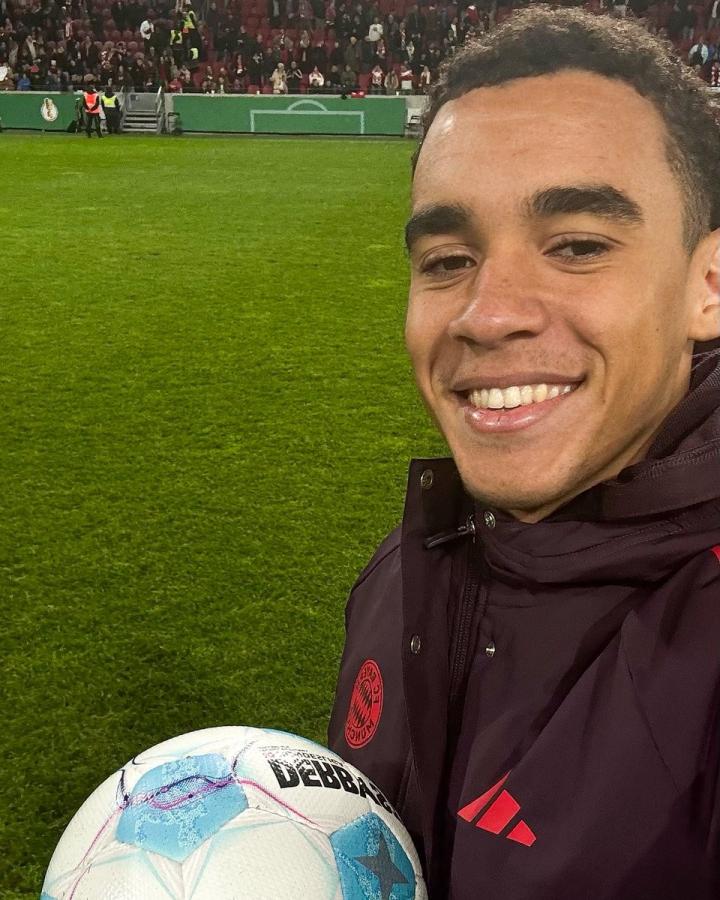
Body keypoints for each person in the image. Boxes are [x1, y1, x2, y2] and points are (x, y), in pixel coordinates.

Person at [328, 7, 720, 899]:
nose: (487, 313)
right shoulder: (404, 569)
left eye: (577, 246)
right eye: (446, 259)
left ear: (708, 285)